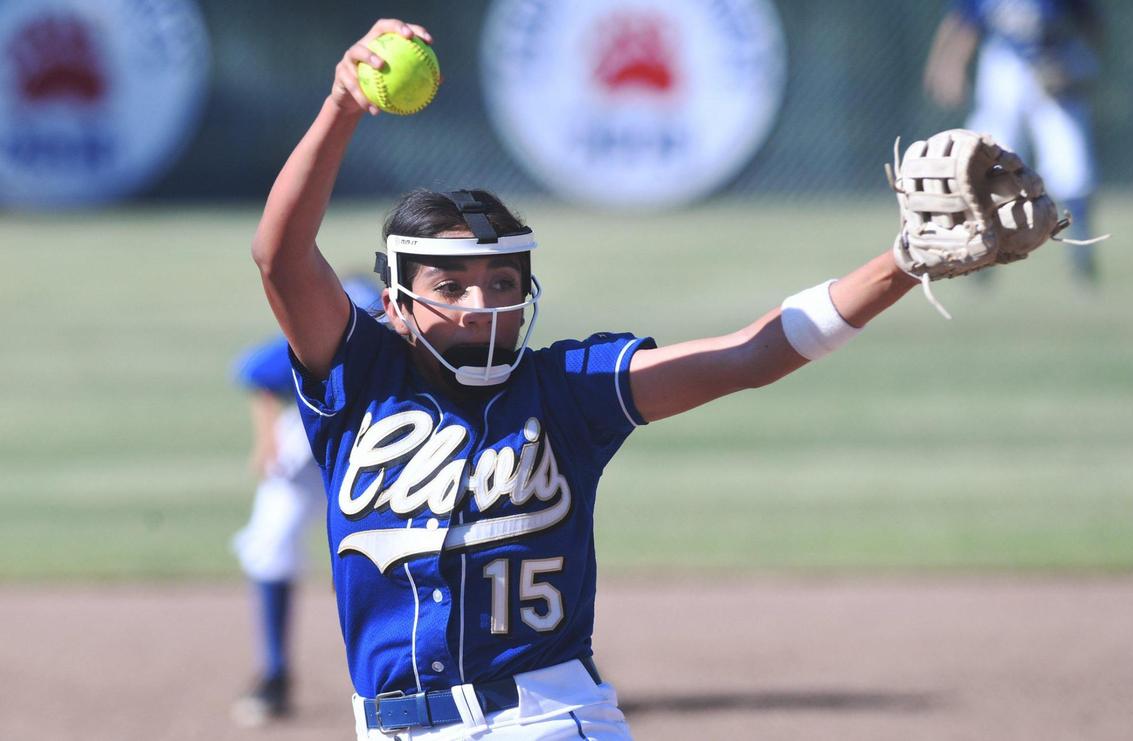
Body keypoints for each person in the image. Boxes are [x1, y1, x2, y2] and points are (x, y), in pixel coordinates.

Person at [252, 19, 1030, 741]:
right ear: (394, 301)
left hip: (546, 720)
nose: (483, 301)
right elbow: (281, 255)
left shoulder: (571, 389)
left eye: (500, 279)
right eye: (451, 285)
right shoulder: (358, 378)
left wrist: (900, 265)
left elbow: (749, 355)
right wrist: (342, 106)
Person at [230, 276, 383, 726]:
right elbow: (258, 374)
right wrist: (265, 439)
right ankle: (274, 674)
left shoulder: (397, 325)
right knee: (271, 546)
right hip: (306, 444)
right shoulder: (323, 320)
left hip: (385, 443)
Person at [923, 0, 1103, 283]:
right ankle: (976, 257)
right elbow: (963, 22)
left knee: (1070, 161)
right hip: (1004, 64)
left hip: (1053, 60)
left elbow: (1089, 20)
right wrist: (946, 66)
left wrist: (1078, 63)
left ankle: (1083, 261)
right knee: (982, 159)